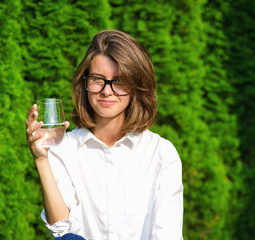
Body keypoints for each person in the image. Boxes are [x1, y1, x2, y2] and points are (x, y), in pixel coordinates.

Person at [25, 30, 183, 240]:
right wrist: (41, 159)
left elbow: (168, 235)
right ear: (84, 84)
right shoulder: (63, 148)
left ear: (136, 87)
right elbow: (63, 231)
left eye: (119, 81)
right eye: (98, 79)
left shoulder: (161, 153)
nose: (107, 91)